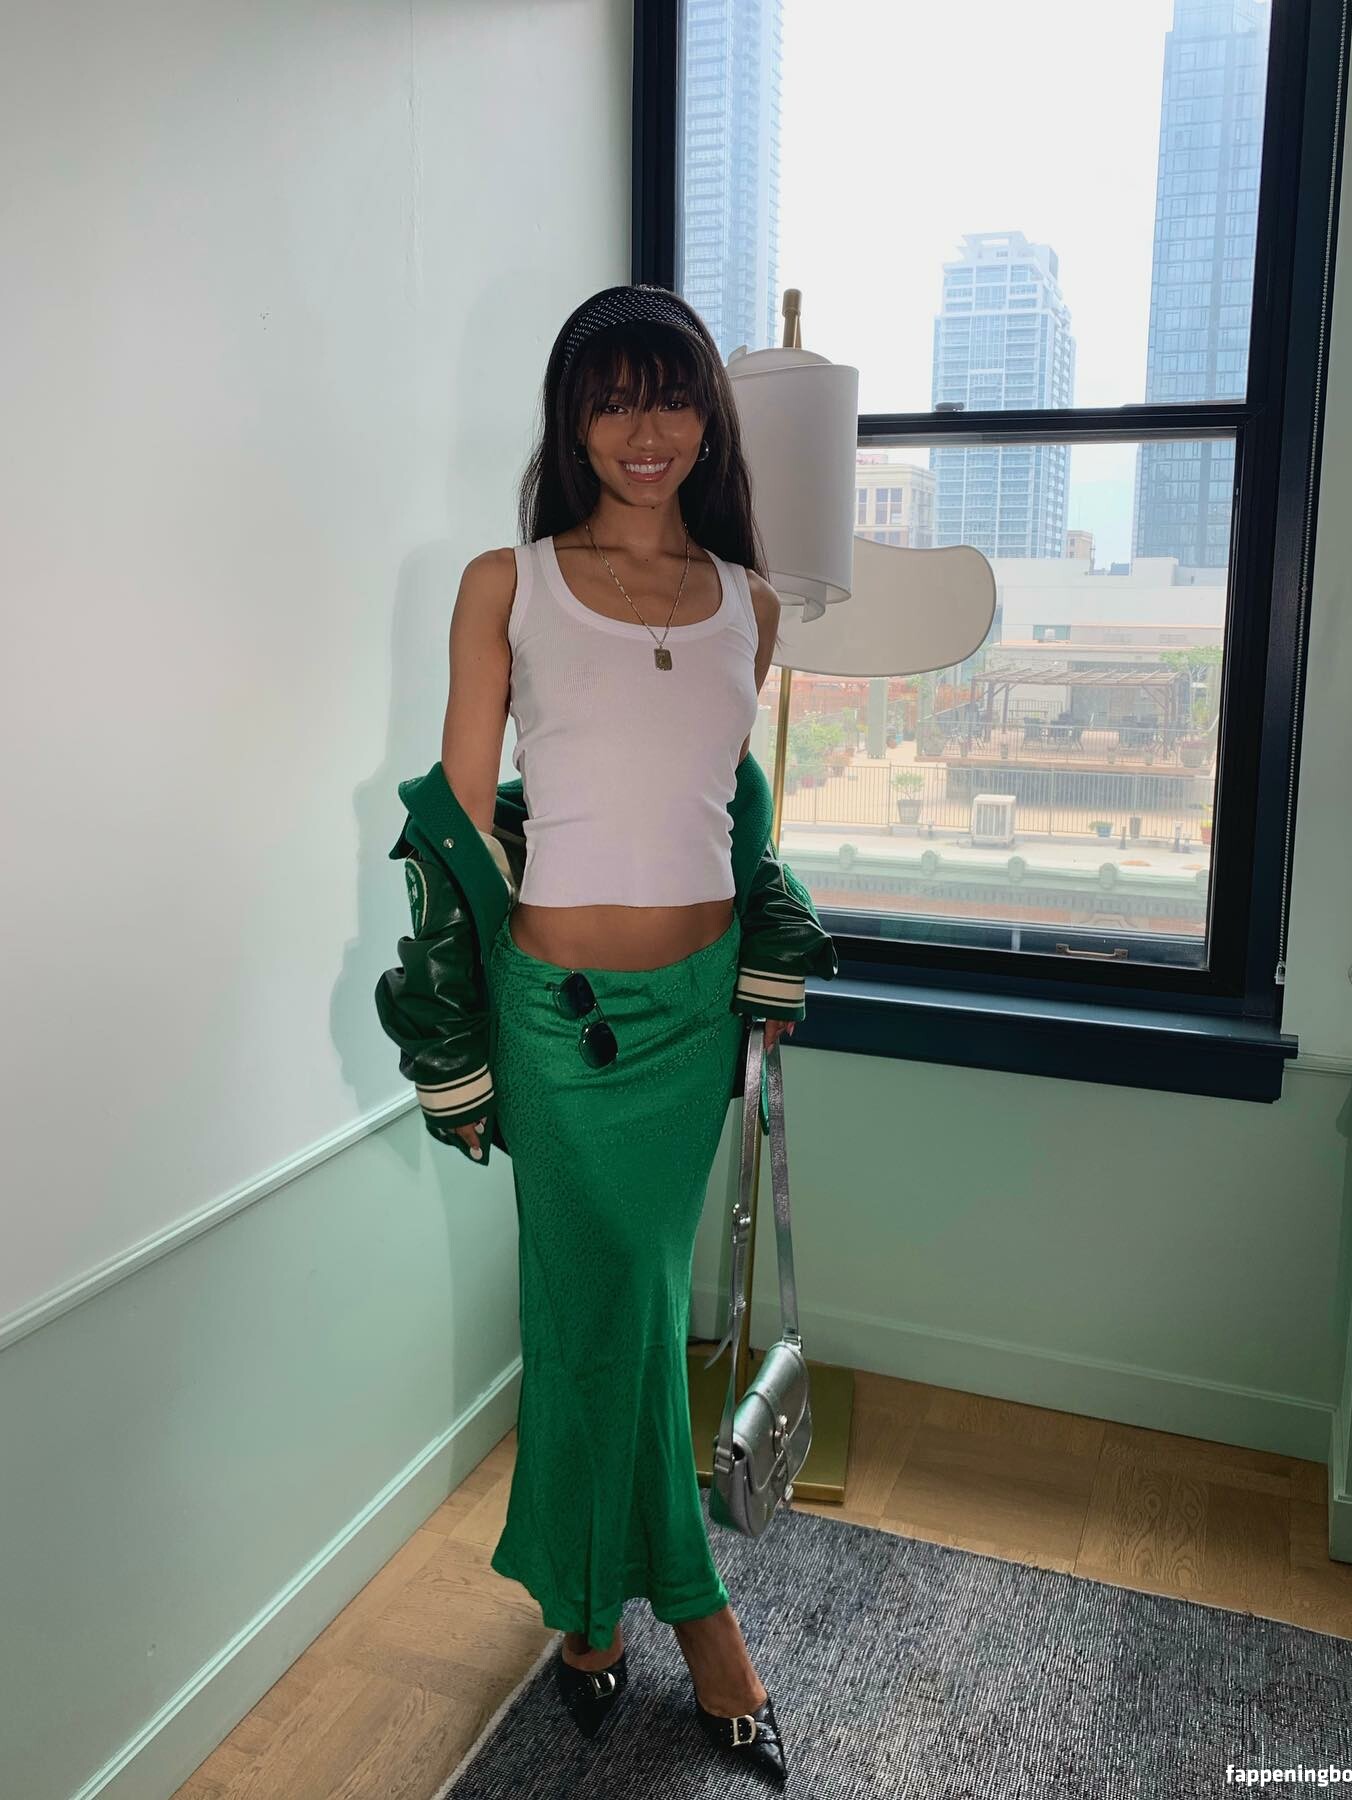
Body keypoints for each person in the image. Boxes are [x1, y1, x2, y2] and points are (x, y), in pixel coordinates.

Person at [427, 283, 821, 1778]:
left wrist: (771, 950)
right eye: (611, 401)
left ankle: (589, 1618)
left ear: (708, 417)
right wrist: (453, 1029)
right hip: (562, 1024)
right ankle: (708, 1629)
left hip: (692, 1021)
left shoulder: (751, 604)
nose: (644, 431)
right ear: (571, 421)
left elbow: (731, 805)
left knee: (608, 1322)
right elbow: (462, 825)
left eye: (671, 397)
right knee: (628, 1315)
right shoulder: (506, 586)